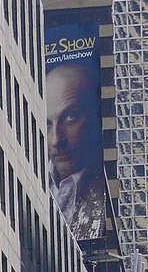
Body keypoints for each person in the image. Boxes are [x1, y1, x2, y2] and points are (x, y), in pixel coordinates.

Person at [44, 62, 108, 240]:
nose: (57, 140)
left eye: (70, 117)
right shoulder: (28, 181)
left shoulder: (102, 186)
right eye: (48, 124)